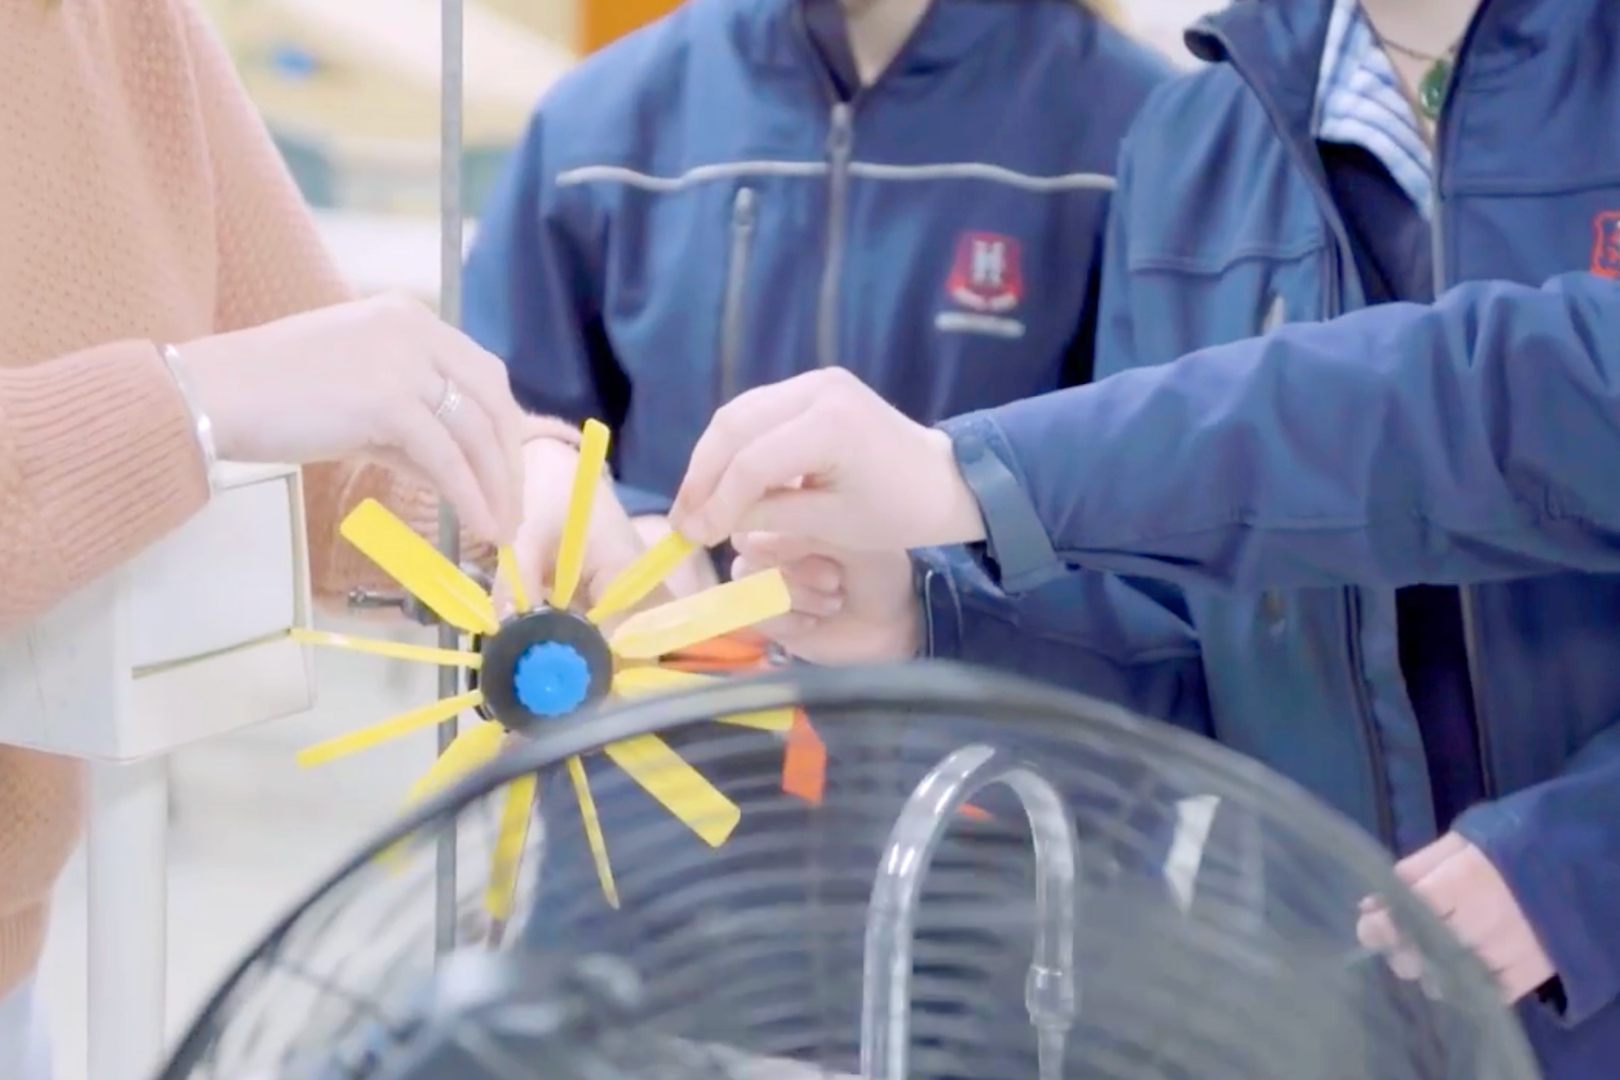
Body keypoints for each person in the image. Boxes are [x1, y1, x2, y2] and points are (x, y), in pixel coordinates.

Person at [667, 0, 1620, 1075]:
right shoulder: (1191, 144)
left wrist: (1582, 865)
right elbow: (1183, 636)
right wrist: (923, 614)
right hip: (1342, 1015)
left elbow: (1481, 401)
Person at [0, 4, 583, 1076]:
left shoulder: (133, 27)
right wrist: (189, 401)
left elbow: (329, 443)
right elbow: (237, 392)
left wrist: (526, 502)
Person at [462, 0, 1171, 595]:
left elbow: (1157, 512)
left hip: (997, 736)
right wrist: (637, 537)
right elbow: (508, 433)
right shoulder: (598, 127)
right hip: (669, 728)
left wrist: (936, 603)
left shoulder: (1132, 129)